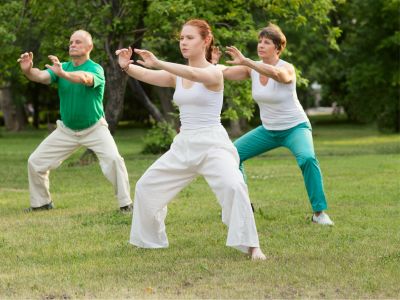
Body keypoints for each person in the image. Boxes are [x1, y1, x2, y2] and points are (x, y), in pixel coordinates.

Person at [116, 19, 266, 259]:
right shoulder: (177, 75)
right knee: (146, 187)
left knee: (234, 186)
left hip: (213, 145)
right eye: (181, 38)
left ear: (205, 41)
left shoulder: (214, 72)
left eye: (189, 38)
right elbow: (148, 74)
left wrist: (158, 62)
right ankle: (150, 241)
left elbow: (194, 73)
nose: (183, 43)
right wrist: (127, 67)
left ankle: (251, 245)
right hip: (184, 145)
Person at [213, 23, 334, 225]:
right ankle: (243, 207)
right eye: (259, 41)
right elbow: (222, 73)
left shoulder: (286, 67)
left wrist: (247, 61)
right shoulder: (250, 69)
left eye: (266, 42)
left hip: (295, 127)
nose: (261, 45)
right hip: (268, 130)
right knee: (232, 155)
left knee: (307, 158)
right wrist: (212, 64)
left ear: (277, 48)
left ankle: (319, 213)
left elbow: (279, 76)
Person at [18, 30, 132, 212]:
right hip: (66, 130)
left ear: (89, 47)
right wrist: (27, 71)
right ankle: (42, 204)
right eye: (71, 42)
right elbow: (40, 76)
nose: (73, 44)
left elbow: (84, 79)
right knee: (35, 161)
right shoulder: (61, 67)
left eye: (78, 42)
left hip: (95, 128)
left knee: (114, 160)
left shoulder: (95, 69)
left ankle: (126, 204)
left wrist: (63, 74)